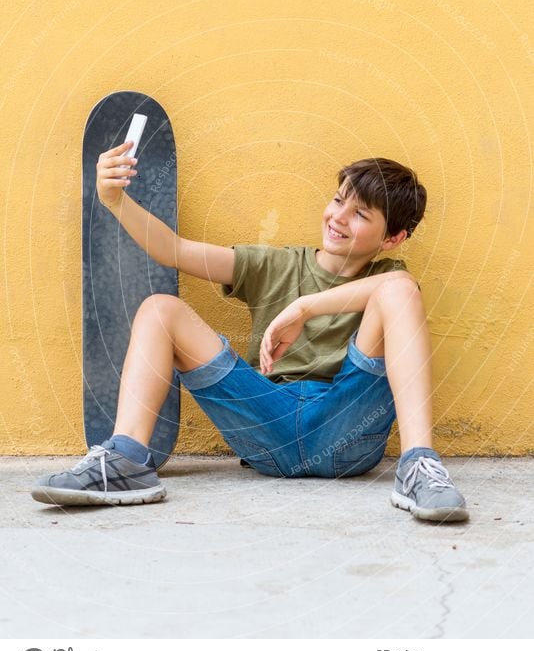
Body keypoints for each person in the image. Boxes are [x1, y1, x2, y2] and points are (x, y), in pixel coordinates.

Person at [32, 143, 468, 522]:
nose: (338, 217)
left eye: (360, 215)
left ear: (392, 238)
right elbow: (175, 251)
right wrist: (113, 200)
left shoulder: (390, 276)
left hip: (347, 427)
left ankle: (417, 466)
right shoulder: (274, 266)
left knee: (400, 293)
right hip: (267, 421)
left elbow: (398, 289)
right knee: (159, 310)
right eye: (338, 201)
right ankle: (125, 458)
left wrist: (303, 307)